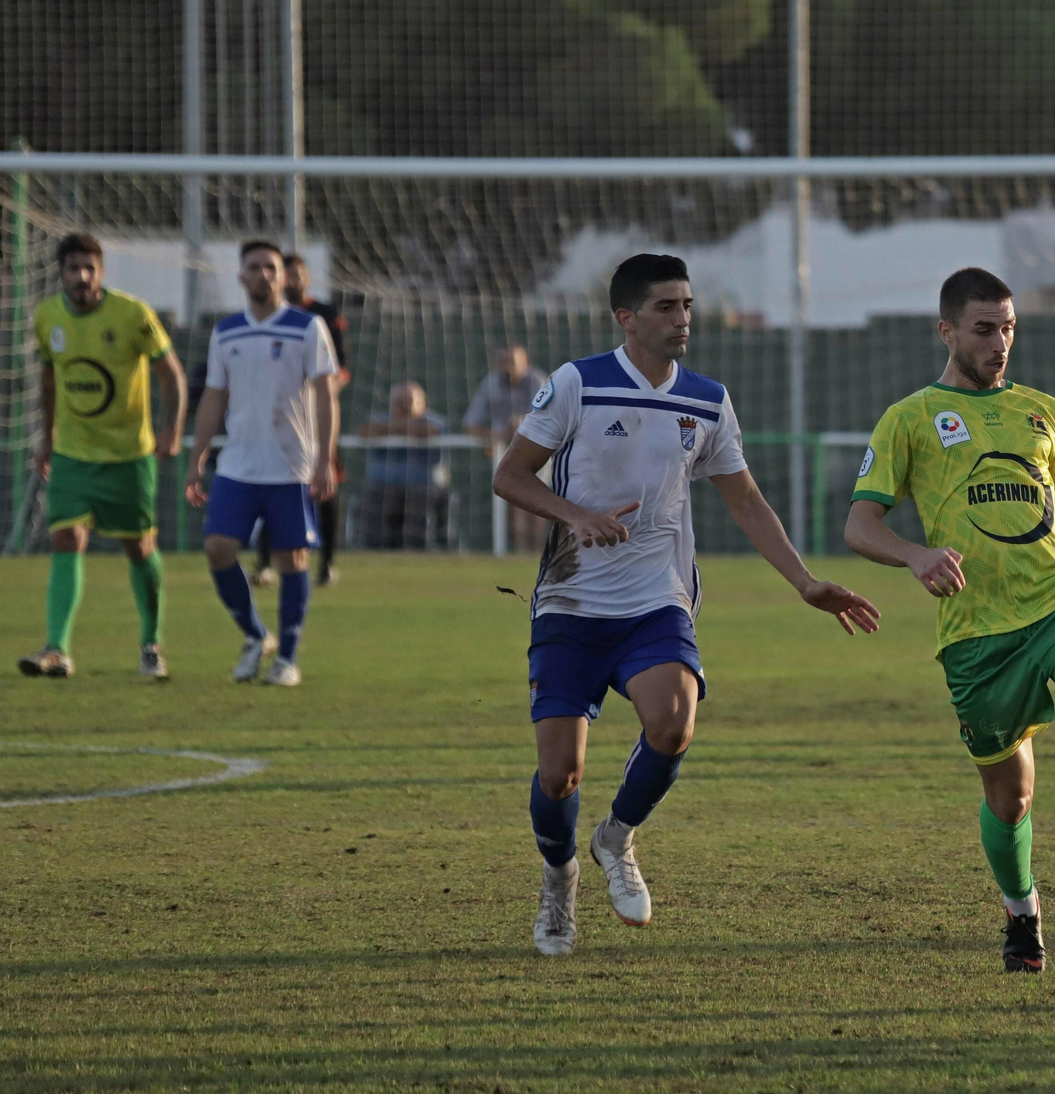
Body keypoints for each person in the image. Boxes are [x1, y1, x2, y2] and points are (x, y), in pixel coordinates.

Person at [492, 253, 880, 957]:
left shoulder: (706, 399)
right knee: (559, 773)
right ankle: (559, 877)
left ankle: (616, 837)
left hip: (655, 602)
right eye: (667, 307)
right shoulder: (578, 383)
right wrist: (575, 514)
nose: (683, 320)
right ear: (627, 318)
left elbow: (746, 500)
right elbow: (509, 476)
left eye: (688, 306)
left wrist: (804, 581)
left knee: (674, 722)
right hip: (572, 604)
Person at [843, 267, 1055, 974]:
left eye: (1010, 328)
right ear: (948, 332)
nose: (1001, 343)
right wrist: (915, 555)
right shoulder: (911, 418)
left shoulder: (1048, 413)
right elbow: (859, 524)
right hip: (976, 634)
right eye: (985, 329)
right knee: (1011, 794)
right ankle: (1021, 913)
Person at [18, 233, 187, 680]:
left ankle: (151, 644)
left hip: (129, 455)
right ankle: (57, 649)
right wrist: (48, 437)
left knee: (139, 547)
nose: (82, 277)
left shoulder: (132, 314)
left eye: (89, 268)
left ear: (102, 272)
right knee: (66, 538)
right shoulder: (48, 317)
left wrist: (173, 428)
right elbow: (50, 380)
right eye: (73, 268)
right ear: (61, 273)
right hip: (73, 455)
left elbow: (171, 374)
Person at [184, 240, 340, 686]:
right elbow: (215, 396)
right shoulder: (226, 331)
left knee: (292, 559)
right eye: (254, 267)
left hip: (291, 465)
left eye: (271, 267)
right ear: (241, 276)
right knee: (217, 547)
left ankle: (287, 659)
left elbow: (327, 395)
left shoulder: (307, 327)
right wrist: (198, 458)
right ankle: (256, 635)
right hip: (237, 464)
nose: (263, 274)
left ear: (283, 276)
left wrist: (325, 459)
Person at [254, 253, 351, 587]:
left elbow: (340, 370)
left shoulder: (323, 316)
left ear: (307, 277)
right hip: (279, 418)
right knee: (270, 485)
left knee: (325, 483)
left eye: (299, 274)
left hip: (317, 417)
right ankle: (264, 562)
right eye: (288, 274)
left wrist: (318, 397)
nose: (293, 280)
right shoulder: (267, 317)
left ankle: (327, 563)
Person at [463, 344, 546, 551]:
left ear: (525, 364)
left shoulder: (537, 381)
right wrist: (497, 435)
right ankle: (519, 552)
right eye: (503, 362)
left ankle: (536, 551)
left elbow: (548, 419)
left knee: (538, 501)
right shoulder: (490, 383)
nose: (507, 368)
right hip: (506, 450)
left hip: (540, 449)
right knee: (516, 503)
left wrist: (522, 425)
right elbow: (470, 425)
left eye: (513, 362)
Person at [358, 382, 450, 550]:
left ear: (422, 403)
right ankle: (374, 549)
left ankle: (417, 549)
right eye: (399, 401)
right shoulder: (379, 418)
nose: (403, 406)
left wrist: (392, 429)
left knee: (419, 502)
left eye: (409, 401)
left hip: (423, 487)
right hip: (382, 486)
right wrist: (403, 428)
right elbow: (365, 431)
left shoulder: (434, 420)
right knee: (379, 499)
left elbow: (429, 431)